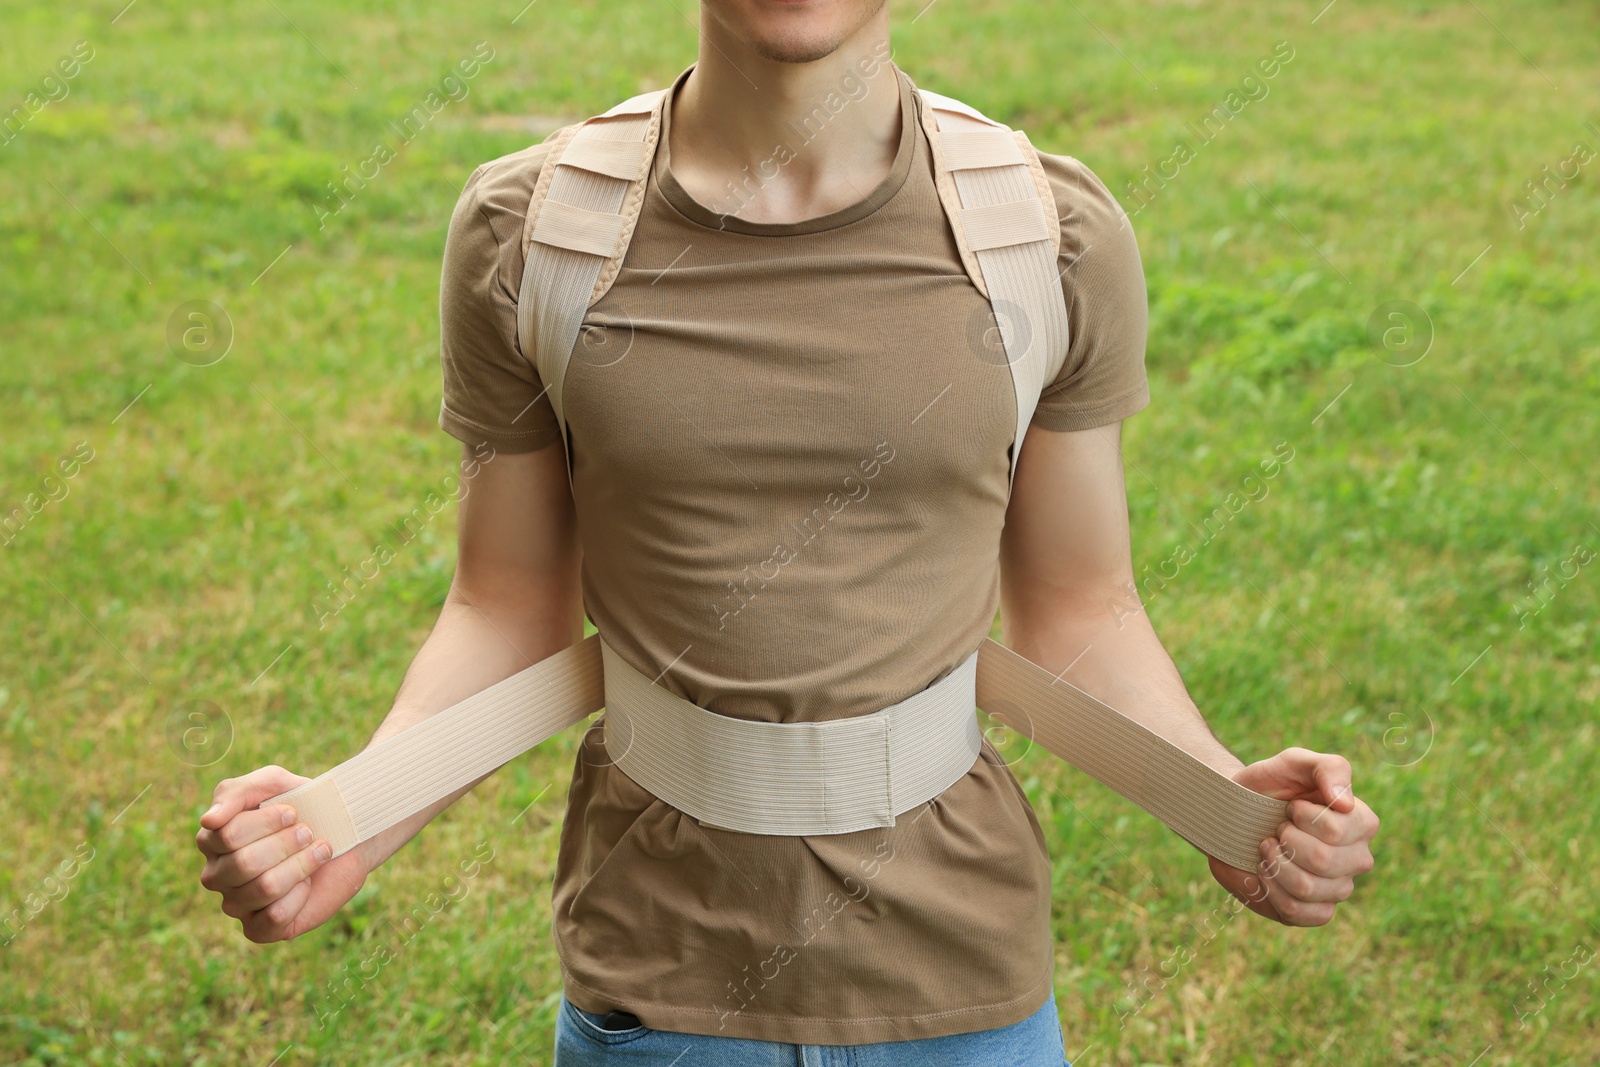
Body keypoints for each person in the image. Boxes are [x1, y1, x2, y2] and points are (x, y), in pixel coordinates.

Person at [195, 2, 1380, 1063]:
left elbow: (1079, 607)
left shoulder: (1043, 238)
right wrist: (353, 817)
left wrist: (1218, 795)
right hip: (660, 991)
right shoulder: (536, 234)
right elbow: (504, 607)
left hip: (962, 989)